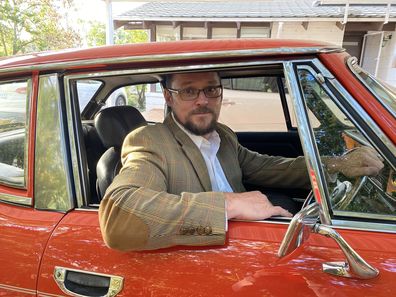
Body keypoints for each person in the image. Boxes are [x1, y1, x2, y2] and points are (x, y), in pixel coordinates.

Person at [99, 71, 383, 251]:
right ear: (168, 97)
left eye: (211, 89)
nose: (203, 100)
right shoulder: (150, 141)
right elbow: (120, 215)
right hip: (212, 256)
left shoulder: (222, 134)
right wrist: (230, 203)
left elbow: (265, 167)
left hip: (255, 241)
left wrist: (334, 165)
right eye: (188, 91)